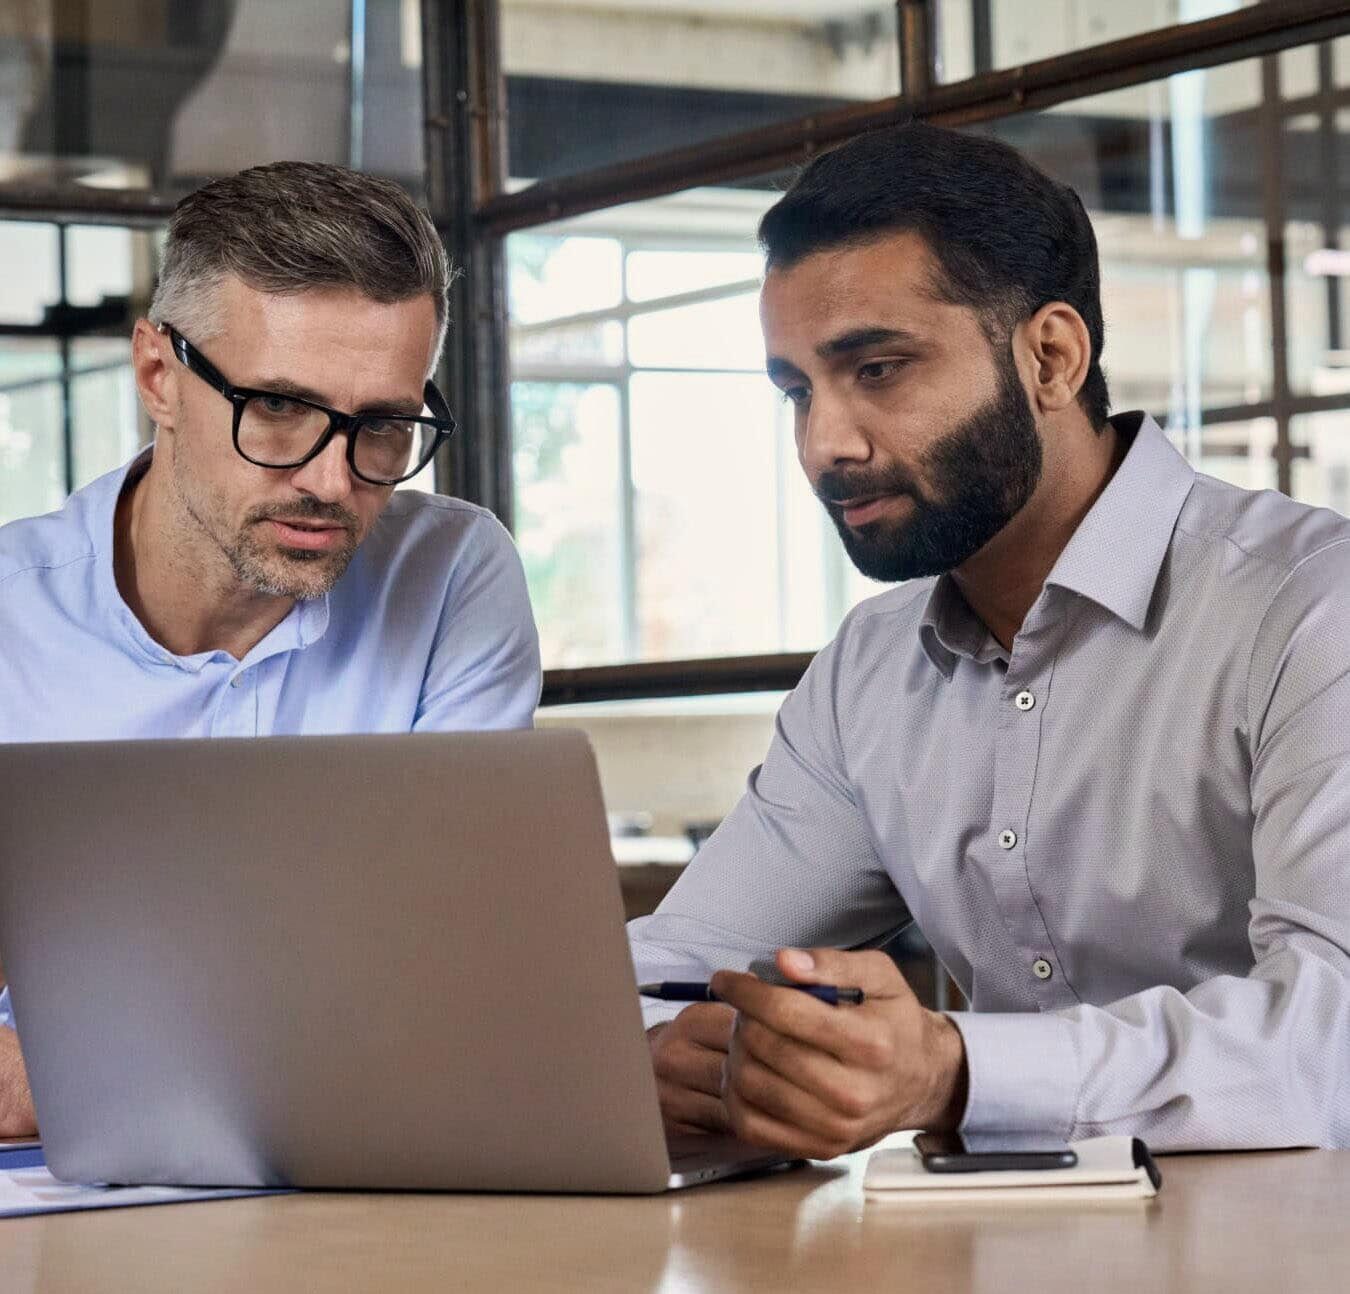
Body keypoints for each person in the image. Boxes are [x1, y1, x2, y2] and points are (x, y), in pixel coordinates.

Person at [632, 121, 1350, 1156]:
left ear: (1051, 356)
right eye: (796, 392)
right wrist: (672, 1053)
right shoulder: (869, 673)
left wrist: (955, 1070)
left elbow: (1329, 1037)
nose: (825, 444)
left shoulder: (1307, 605)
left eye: (876, 369)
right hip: (1004, 1273)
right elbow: (673, 966)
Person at [0, 162, 541, 1136]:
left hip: (353, 1182)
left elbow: (445, 979)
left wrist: (80, 1065)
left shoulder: (454, 576)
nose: (334, 482)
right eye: (280, 410)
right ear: (159, 378)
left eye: (382, 425)